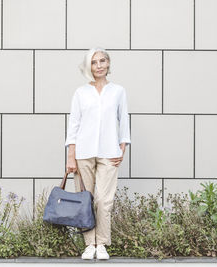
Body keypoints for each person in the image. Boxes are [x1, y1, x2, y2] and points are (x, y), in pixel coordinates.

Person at [65, 47, 131, 260]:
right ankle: (89, 244)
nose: (99, 65)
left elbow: (124, 121)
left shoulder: (118, 91)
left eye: (103, 61)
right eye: (94, 62)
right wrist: (71, 156)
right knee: (86, 199)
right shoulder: (80, 93)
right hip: (83, 153)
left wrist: (123, 147)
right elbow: (73, 125)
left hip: (109, 153)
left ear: (108, 64)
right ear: (89, 66)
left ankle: (101, 243)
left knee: (104, 200)